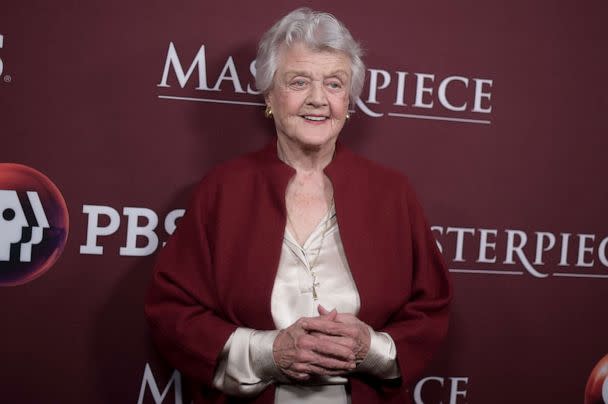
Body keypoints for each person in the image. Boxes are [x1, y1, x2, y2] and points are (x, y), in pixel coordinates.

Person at [145, 7, 452, 404]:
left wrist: (372, 348)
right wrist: (267, 353)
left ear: (349, 101)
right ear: (270, 94)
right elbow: (173, 313)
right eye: (300, 81)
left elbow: (430, 308)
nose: (318, 100)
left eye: (334, 84)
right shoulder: (223, 189)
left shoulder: (393, 192)